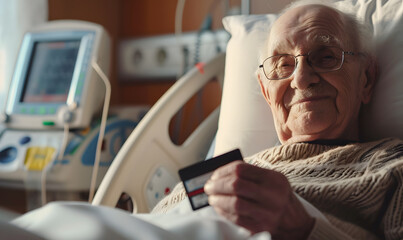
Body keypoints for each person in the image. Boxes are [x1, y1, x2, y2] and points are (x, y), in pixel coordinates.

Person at [152, 2, 403, 240]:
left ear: (366, 79)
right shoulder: (219, 174)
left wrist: (303, 228)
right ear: (266, 92)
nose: (302, 78)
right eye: (283, 64)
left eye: (326, 57)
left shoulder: (393, 170)